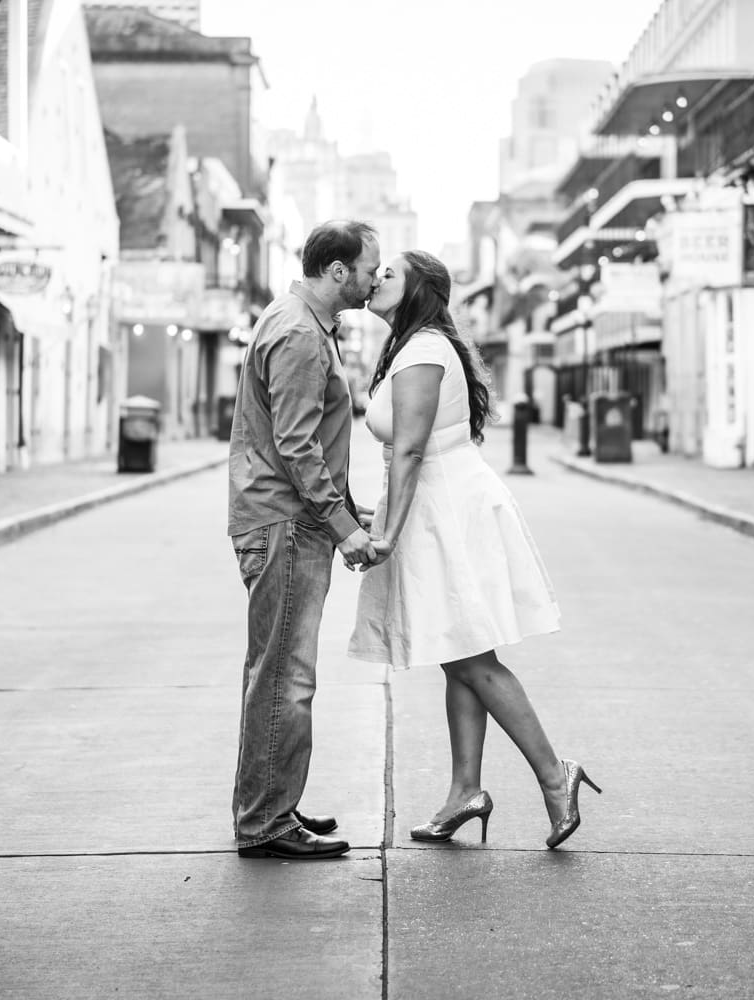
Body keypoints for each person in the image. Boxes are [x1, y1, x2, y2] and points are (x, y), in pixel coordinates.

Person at [347, 250, 599, 850]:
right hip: (437, 502)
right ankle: (466, 791)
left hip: (444, 509)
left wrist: (386, 535)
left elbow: (409, 450)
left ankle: (553, 773)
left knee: (470, 657)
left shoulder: (425, 349)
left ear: (418, 291)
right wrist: (381, 514)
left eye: (389, 274)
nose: (376, 278)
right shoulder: (413, 346)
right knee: (457, 649)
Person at [227, 220, 382, 860]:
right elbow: (296, 444)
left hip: (289, 517)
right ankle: (265, 823)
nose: (376, 280)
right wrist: (343, 528)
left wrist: (349, 507)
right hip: (287, 524)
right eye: (370, 269)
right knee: (286, 676)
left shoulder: (302, 324)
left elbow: (303, 436)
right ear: (339, 270)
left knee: (277, 671)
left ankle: (272, 805)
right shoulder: (297, 333)